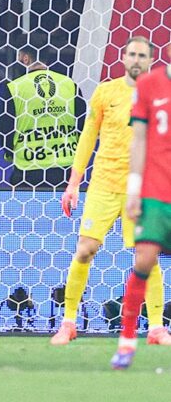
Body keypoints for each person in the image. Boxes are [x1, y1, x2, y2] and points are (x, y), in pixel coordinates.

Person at [51, 36, 170, 348]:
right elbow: (88, 137)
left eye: (142, 55)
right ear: (123, 57)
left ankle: (156, 328)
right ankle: (69, 322)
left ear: (150, 60)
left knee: (148, 256)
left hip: (143, 188)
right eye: (131, 54)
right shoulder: (106, 92)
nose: (136, 60)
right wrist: (73, 183)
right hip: (104, 185)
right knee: (84, 249)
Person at [110, 54, 171, 369]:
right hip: (158, 191)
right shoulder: (150, 84)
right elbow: (139, 141)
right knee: (144, 260)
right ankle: (127, 341)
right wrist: (134, 190)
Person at [0, 46, 86, 189]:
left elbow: (4, 127)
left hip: (28, 166)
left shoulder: (14, 87)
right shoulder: (69, 84)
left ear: (25, 58)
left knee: (26, 210)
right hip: (65, 166)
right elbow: (82, 124)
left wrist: (9, 153)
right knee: (63, 211)